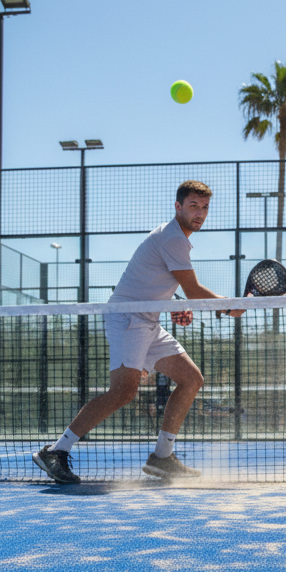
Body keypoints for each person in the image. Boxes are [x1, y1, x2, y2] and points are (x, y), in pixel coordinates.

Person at [33, 181, 243, 484]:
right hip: (128, 318)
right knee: (123, 392)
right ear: (178, 207)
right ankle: (56, 451)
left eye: (205, 208)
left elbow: (154, 281)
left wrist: (174, 304)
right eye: (194, 206)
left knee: (191, 379)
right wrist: (229, 307)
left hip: (147, 319)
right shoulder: (174, 238)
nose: (200, 213)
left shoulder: (173, 237)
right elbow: (194, 289)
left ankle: (162, 458)